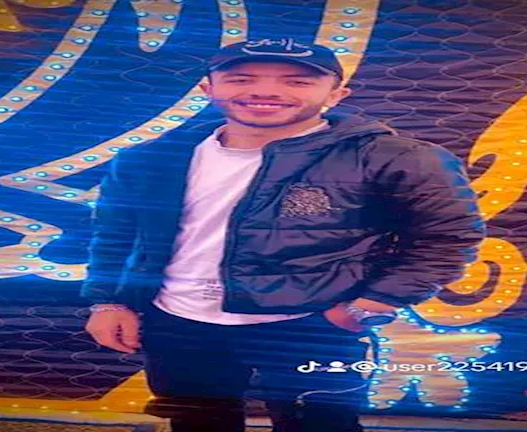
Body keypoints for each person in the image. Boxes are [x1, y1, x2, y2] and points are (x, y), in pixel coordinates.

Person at [82, 38, 486, 432]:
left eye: (297, 81)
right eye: (241, 79)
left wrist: (368, 305)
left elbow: (449, 238)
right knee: (197, 422)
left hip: (309, 324)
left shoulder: (395, 157)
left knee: (321, 425)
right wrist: (109, 301)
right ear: (208, 88)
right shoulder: (152, 157)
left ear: (337, 94)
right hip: (177, 322)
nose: (266, 91)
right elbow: (116, 232)